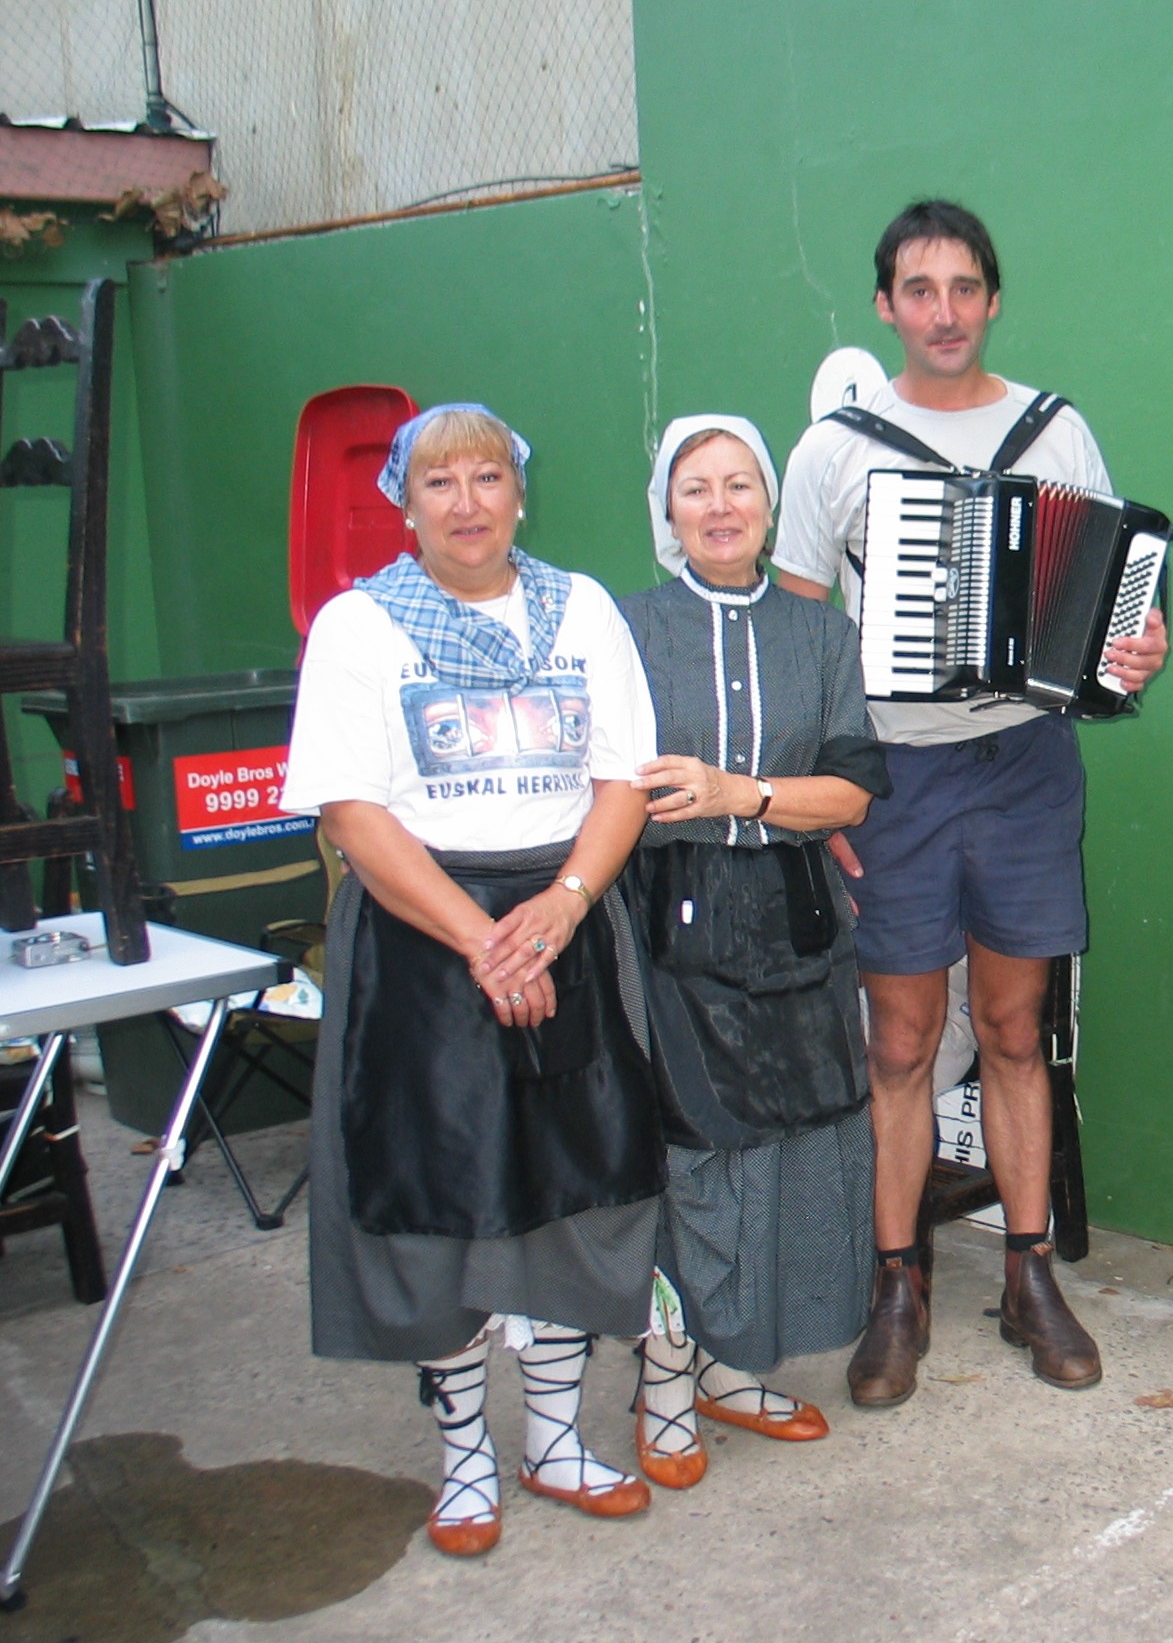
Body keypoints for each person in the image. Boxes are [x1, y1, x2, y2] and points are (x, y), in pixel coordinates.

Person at [772, 199, 1169, 1405]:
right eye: (919, 289)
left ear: (993, 299)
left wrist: (1131, 650)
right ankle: (899, 1289)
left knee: (1013, 1031)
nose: (943, 311)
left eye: (963, 287)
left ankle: (1027, 1276)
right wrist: (824, 796)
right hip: (894, 776)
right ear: (886, 306)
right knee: (897, 1042)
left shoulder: (1056, 431)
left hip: (1026, 766)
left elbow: (1110, 606)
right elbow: (799, 634)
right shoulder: (833, 450)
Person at [279, 404, 663, 1557]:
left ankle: (553, 1438)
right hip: (420, 939)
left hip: (566, 915)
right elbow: (353, 810)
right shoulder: (358, 628)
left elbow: (623, 781)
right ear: (405, 501)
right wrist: (481, 941)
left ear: (519, 492)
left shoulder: (582, 609)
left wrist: (558, 911)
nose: (466, 502)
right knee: (436, 1201)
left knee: (571, 1187)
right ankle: (464, 1462)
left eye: (486, 476)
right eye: (438, 481)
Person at [617, 414, 890, 1488]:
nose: (721, 505)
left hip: (796, 919)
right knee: (692, 1154)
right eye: (697, 488)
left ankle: (739, 1366)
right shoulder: (628, 628)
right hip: (668, 922)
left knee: (788, 1146)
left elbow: (853, 789)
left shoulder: (819, 637)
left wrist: (746, 795)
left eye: (740, 485)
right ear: (667, 511)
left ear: (771, 506)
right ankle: (667, 1378)